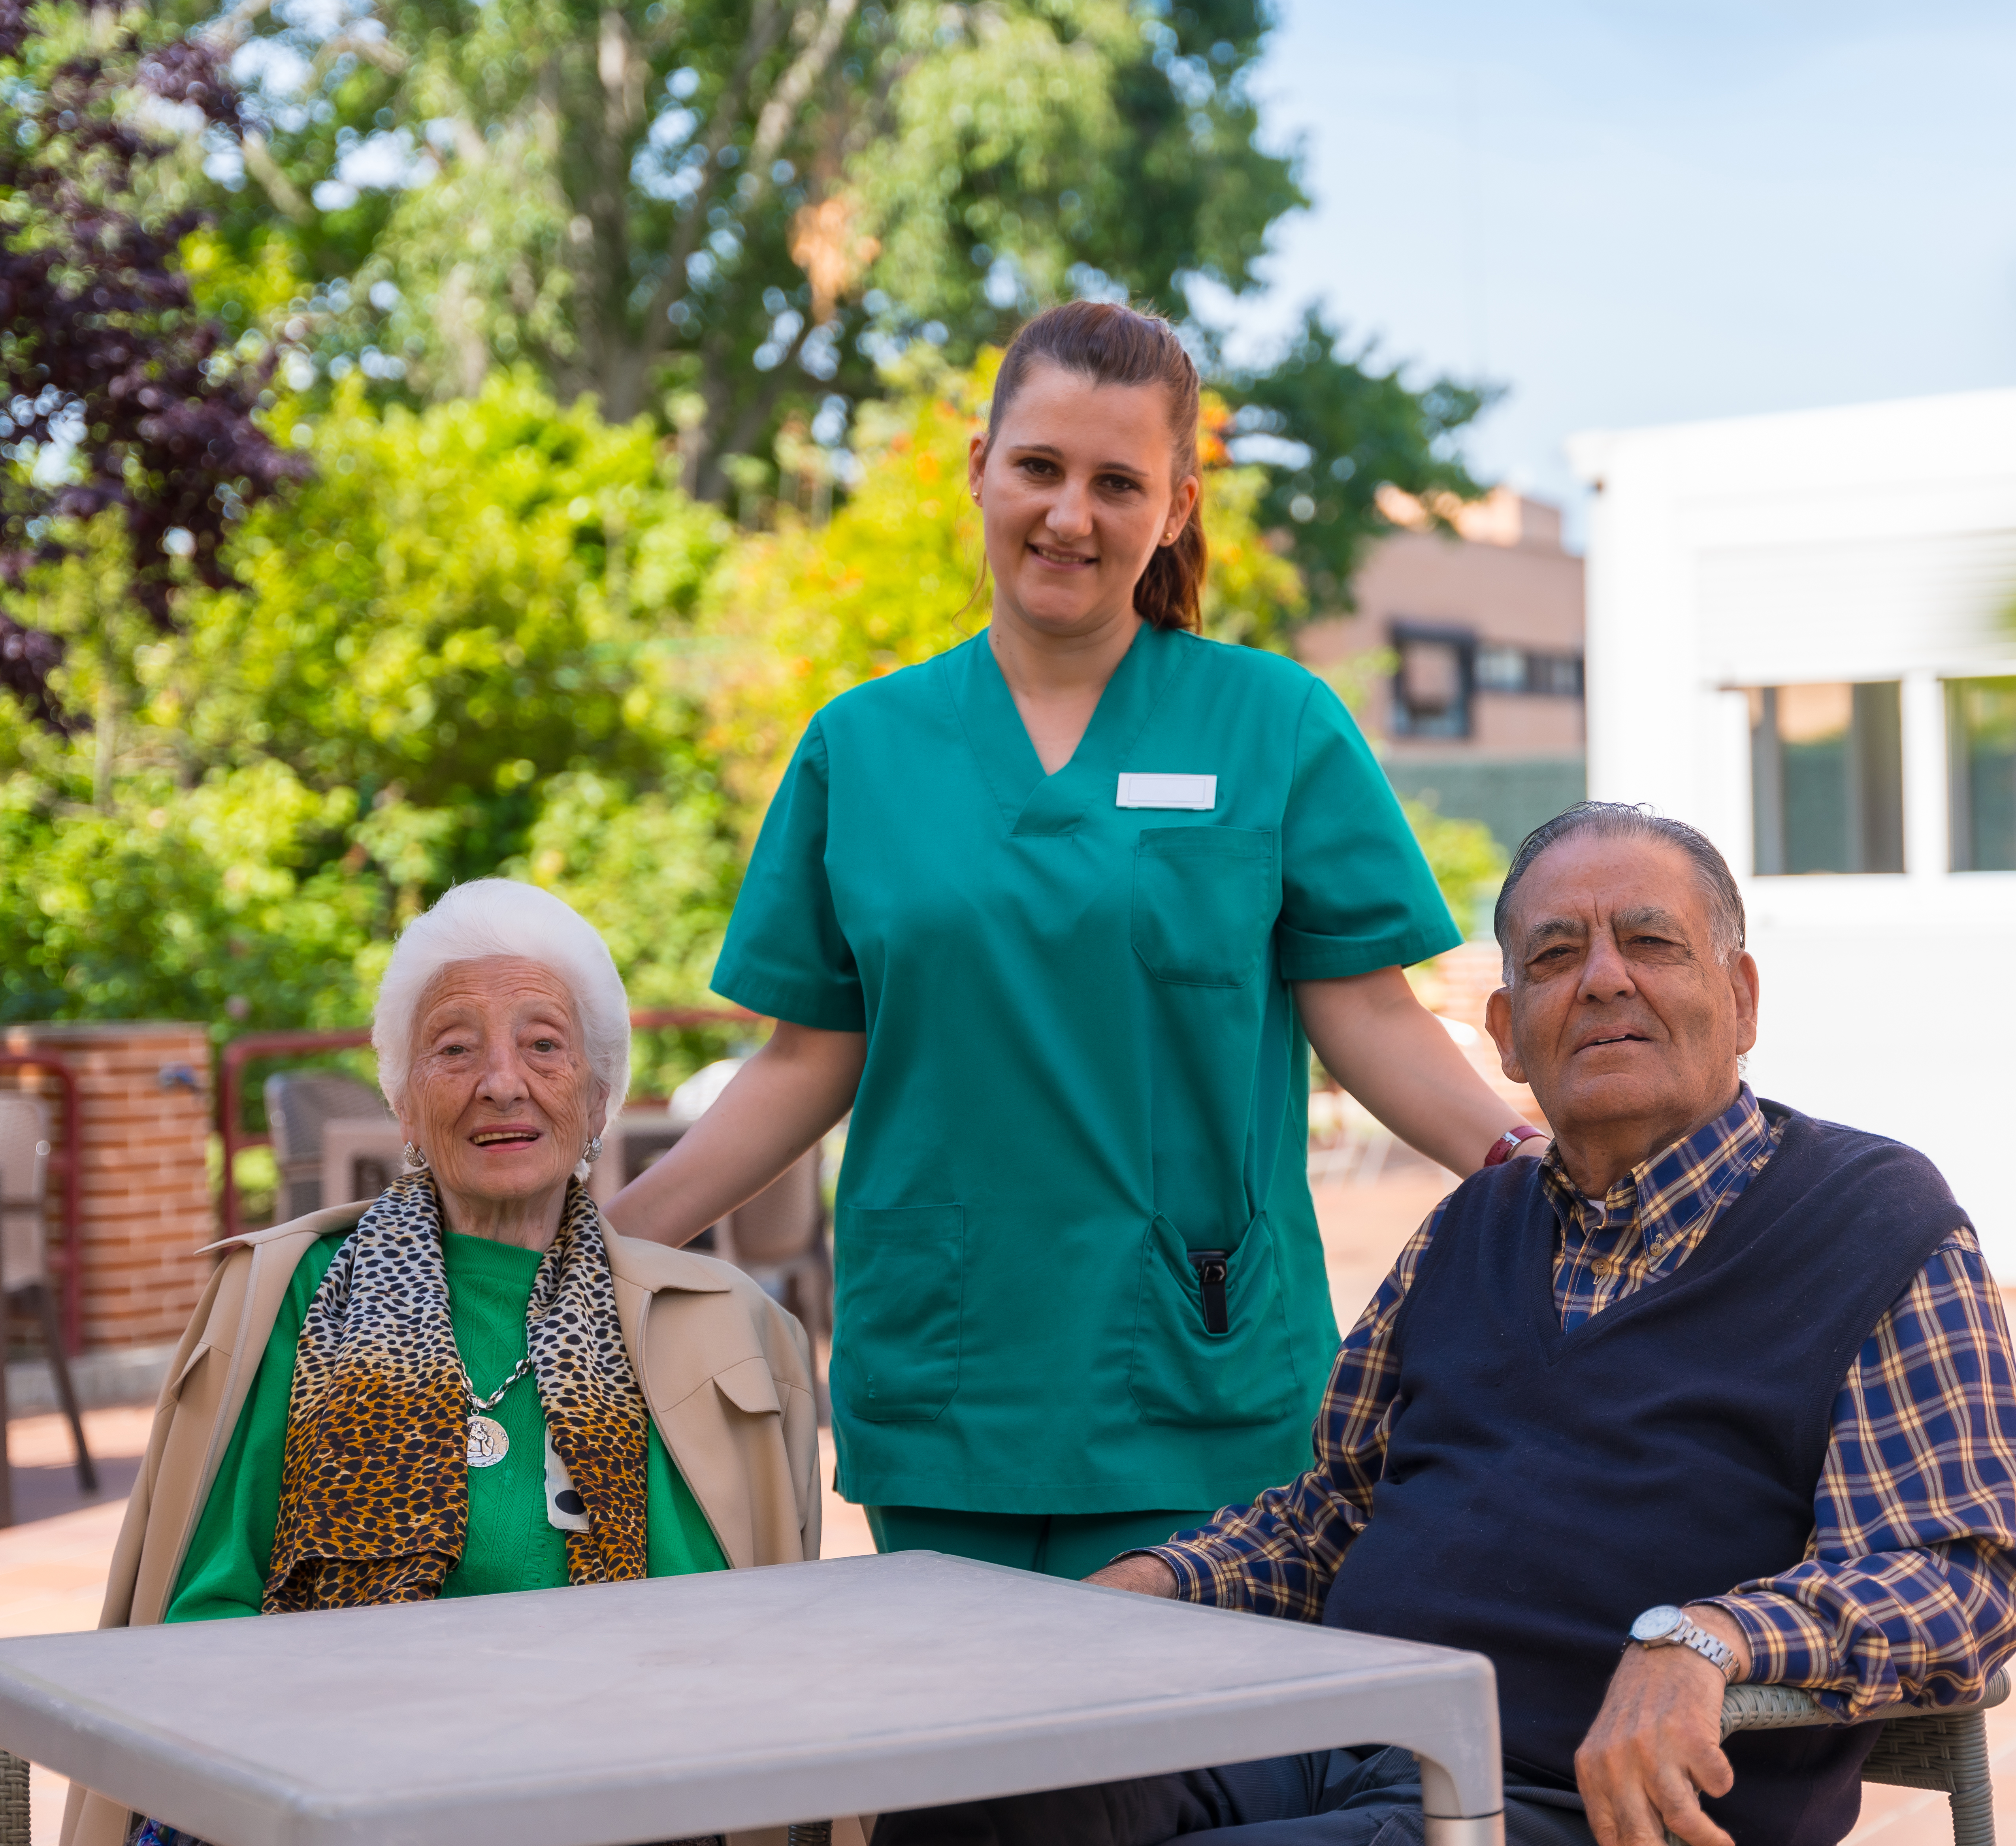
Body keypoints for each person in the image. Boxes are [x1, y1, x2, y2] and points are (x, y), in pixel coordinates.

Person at [880, 802, 2016, 1846]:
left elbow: (1965, 1571)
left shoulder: (1872, 1222)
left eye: (1650, 942)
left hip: (1567, 1803)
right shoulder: (1471, 1226)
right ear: (1506, 1029)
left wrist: (1702, 1641)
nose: (1601, 980)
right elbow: (1331, 1519)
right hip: (1332, 1735)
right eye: (1555, 956)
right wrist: (1133, 1593)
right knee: (970, 1794)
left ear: (1740, 1002)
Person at [607, 301, 1548, 1575]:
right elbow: (807, 1058)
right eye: (1041, 468)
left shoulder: (1274, 727)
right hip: (951, 1382)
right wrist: (599, 1246)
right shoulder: (864, 750)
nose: (1070, 515)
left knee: (1197, 1773)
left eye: (1118, 483)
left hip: (1196, 1377)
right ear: (981, 468)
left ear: (1175, 506)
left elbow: (1368, 1013)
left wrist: (1532, 1166)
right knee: (970, 1769)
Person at [66, 880, 821, 1846]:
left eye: (544, 1045)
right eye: (456, 1048)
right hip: (342, 1789)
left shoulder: (716, 1326)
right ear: (406, 1103)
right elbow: (212, 1604)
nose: (501, 1081)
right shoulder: (294, 1292)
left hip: (622, 1795)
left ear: (596, 1097)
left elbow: (742, 1650)